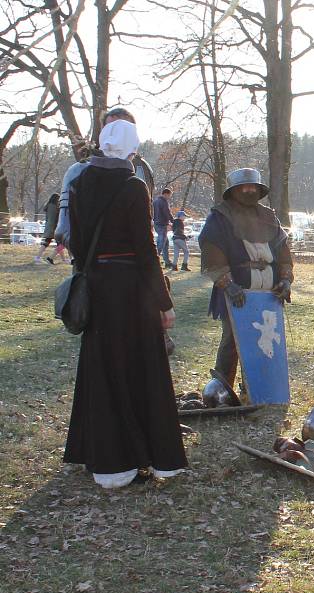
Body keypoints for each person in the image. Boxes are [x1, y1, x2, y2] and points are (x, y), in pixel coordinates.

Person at [63, 119, 187, 489]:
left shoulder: (80, 182)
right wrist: (163, 301)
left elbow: (76, 241)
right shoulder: (133, 185)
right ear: (132, 149)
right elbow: (146, 250)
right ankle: (141, 458)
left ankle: (106, 461)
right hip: (131, 292)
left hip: (99, 287)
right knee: (140, 368)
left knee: (103, 370)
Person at [198, 168, 293, 389]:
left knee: (267, 339)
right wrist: (227, 284)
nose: (249, 190)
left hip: (269, 292)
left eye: (253, 187)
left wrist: (286, 279)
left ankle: (260, 386)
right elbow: (212, 253)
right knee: (233, 340)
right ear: (234, 190)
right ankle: (223, 389)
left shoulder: (269, 216)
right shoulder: (220, 216)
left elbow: (283, 252)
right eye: (244, 187)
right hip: (236, 288)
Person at [55, 107, 155, 250]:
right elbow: (63, 231)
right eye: (112, 128)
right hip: (91, 266)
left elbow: (146, 227)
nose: (117, 134)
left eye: (123, 129)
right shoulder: (78, 172)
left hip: (130, 266)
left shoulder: (142, 170)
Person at [34, 193, 66, 264]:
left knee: (50, 243)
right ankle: (38, 258)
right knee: (59, 243)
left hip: (49, 226)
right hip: (54, 227)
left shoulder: (48, 206)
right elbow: (56, 218)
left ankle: (63, 259)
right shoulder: (55, 207)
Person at [153, 188, 174, 269]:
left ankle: (167, 262)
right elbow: (167, 212)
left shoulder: (155, 201)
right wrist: (173, 221)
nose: (169, 197)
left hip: (156, 223)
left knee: (165, 243)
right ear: (166, 194)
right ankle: (155, 259)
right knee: (161, 242)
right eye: (169, 195)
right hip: (162, 224)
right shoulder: (163, 201)